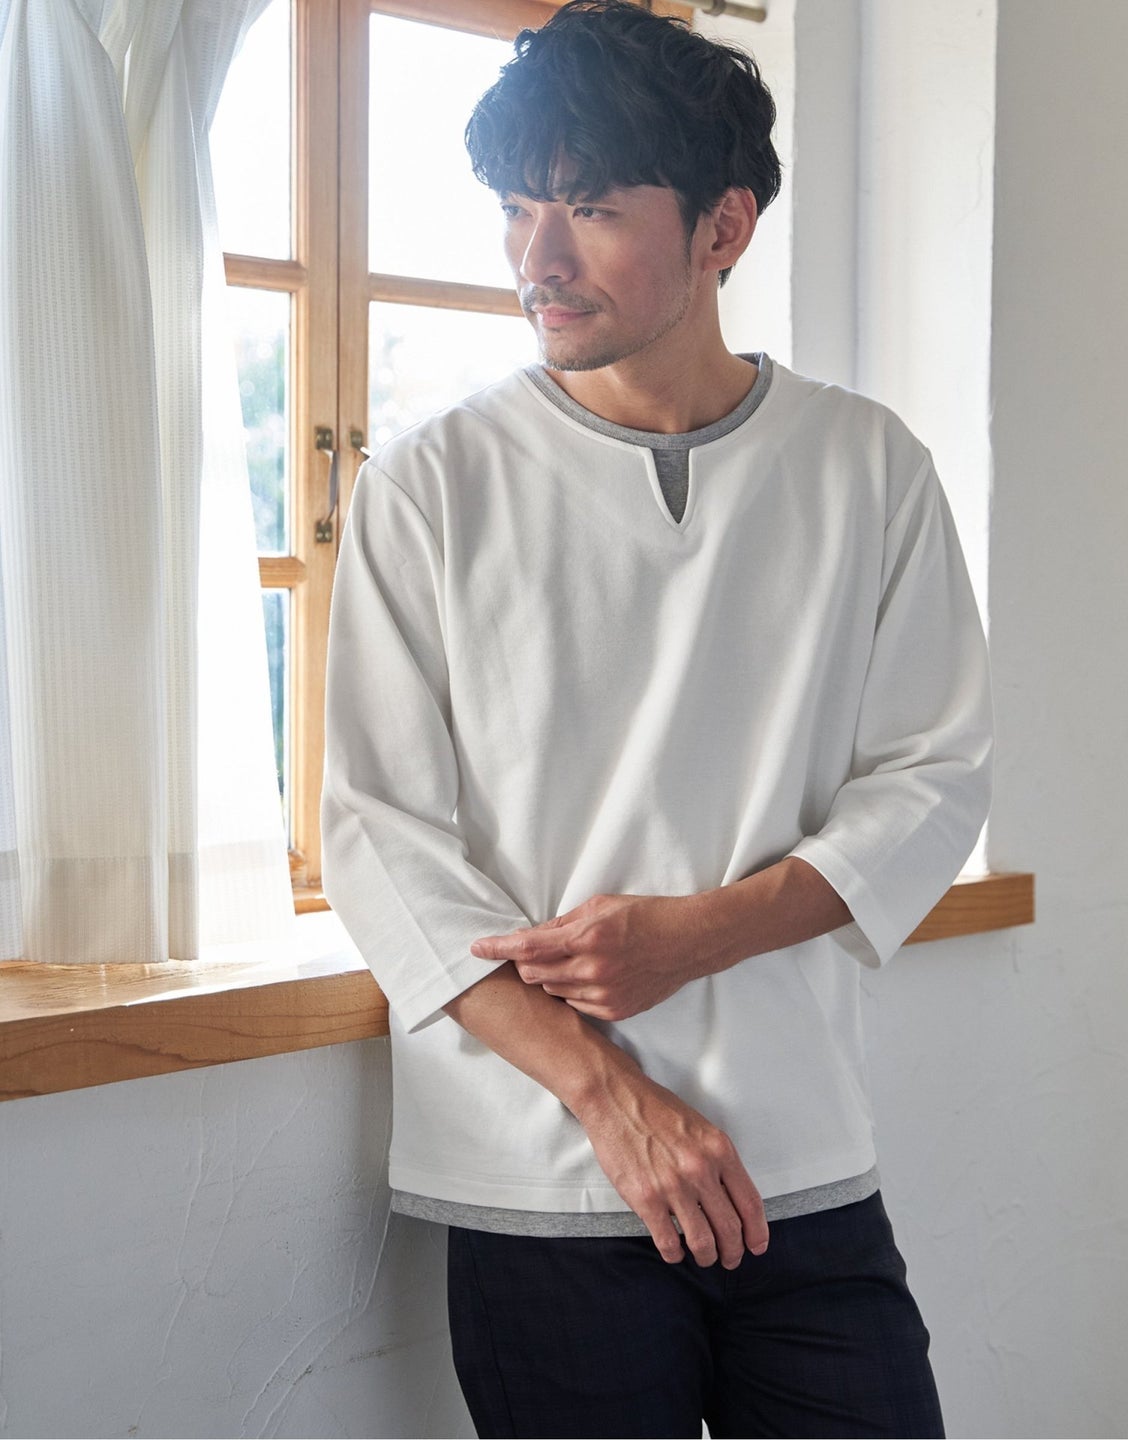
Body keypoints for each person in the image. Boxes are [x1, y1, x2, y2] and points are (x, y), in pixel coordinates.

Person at [321, 2, 993, 1435]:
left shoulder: (869, 469)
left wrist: (699, 934)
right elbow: (379, 837)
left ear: (721, 229)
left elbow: (932, 777)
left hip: (799, 1165)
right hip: (544, 1176)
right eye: (518, 210)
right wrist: (608, 1096)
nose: (538, 259)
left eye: (591, 210)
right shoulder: (430, 486)